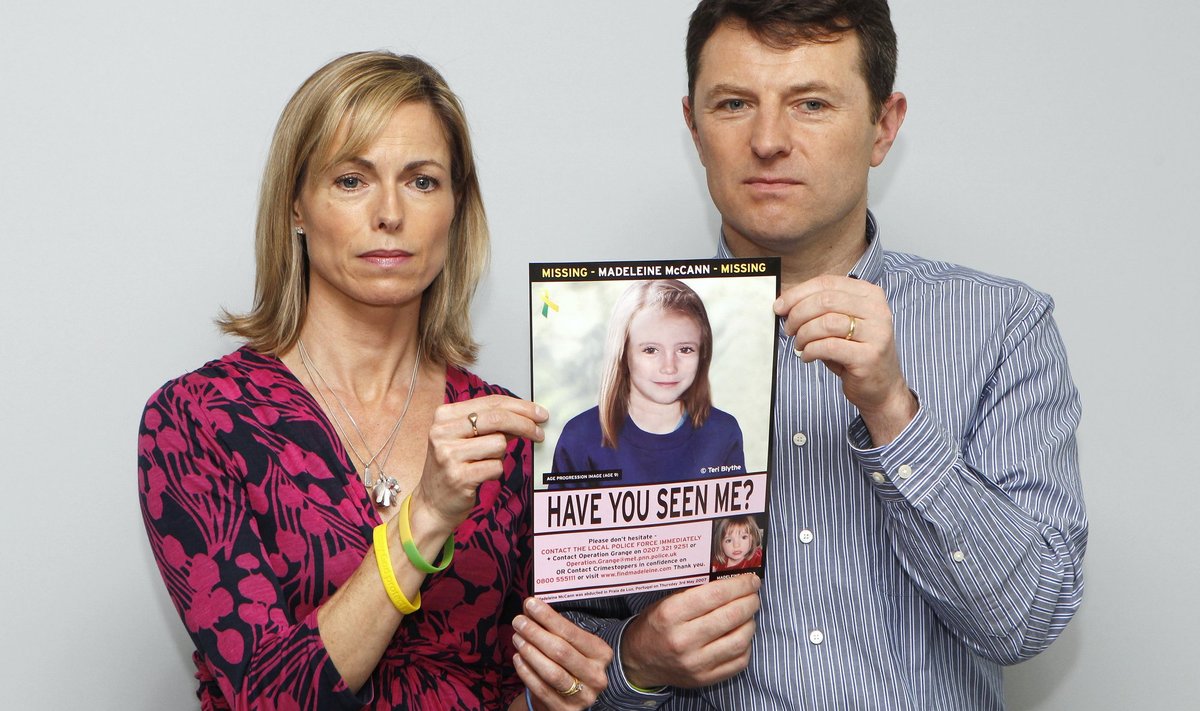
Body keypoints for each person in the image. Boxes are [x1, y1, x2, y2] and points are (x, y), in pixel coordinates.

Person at [560, 1, 1088, 709]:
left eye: (810, 103)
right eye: (734, 103)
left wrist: (895, 415)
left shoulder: (1005, 327)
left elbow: (1027, 621)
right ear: (693, 124)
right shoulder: (605, 344)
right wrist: (637, 660)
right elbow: (553, 671)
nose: (769, 140)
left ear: (884, 125)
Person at [137, 51, 611, 711]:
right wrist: (422, 521)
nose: (389, 212)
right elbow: (270, 697)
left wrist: (582, 678)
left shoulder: (502, 429)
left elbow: (531, 682)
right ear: (296, 206)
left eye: (421, 181)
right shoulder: (197, 418)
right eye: (352, 179)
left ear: (454, 210)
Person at [551, 279, 745, 485]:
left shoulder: (723, 431)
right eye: (650, 350)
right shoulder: (580, 437)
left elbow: (738, 517)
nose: (669, 367)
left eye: (685, 349)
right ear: (623, 354)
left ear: (703, 353)